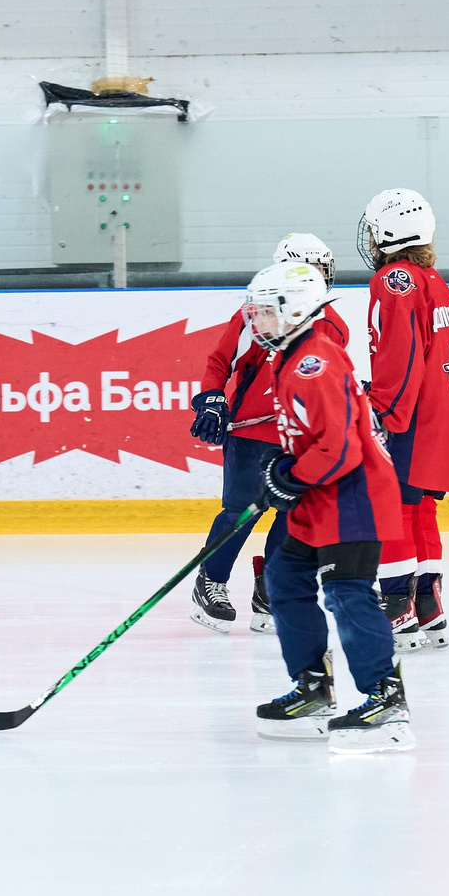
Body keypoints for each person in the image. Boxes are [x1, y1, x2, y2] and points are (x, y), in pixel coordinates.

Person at [242, 260, 414, 752]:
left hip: (352, 497)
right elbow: (311, 434)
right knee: (284, 577)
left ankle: (386, 700)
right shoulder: (292, 356)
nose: (258, 322)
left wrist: (290, 478)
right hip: (320, 497)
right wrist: (282, 466)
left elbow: (341, 450)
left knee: (347, 593)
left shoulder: (315, 361)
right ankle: (313, 686)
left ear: (294, 309)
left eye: (265, 312)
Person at [188, 232, 344, 635]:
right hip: (252, 436)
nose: (318, 278)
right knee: (240, 511)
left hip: (299, 437)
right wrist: (210, 398)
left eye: (320, 270)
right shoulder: (257, 313)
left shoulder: (334, 325)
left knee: (292, 516)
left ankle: (269, 588)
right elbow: (221, 359)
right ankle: (212, 581)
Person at [359, 187, 449, 651]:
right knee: (421, 505)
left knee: (395, 506)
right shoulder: (432, 279)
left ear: (387, 233)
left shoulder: (395, 281)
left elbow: (401, 355)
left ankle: (397, 608)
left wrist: (384, 407)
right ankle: (429, 605)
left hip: (414, 411)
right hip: (445, 408)